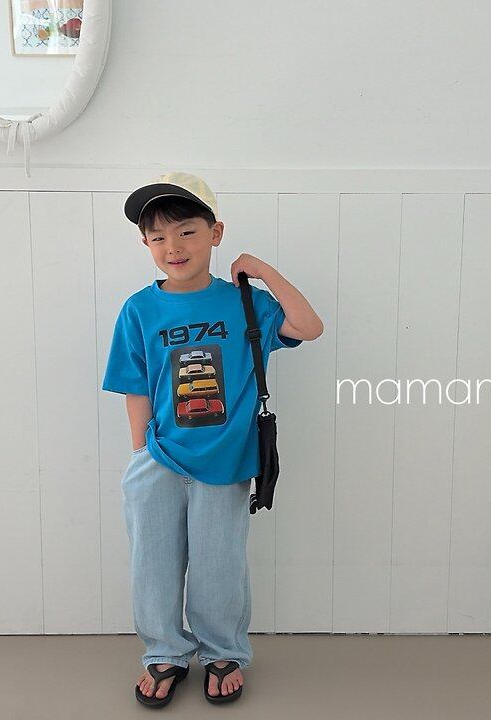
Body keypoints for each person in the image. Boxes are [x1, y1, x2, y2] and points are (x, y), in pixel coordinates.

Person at [102, 172, 323, 707]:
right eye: (158, 237)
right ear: (145, 244)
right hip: (159, 458)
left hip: (225, 460)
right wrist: (141, 454)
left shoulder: (244, 303)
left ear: (215, 233)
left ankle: (223, 651)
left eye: (187, 232)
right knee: (152, 565)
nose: (173, 247)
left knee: (219, 567)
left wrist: (262, 271)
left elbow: (308, 326)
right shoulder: (139, 309)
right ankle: (164, 651)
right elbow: (135, 387)